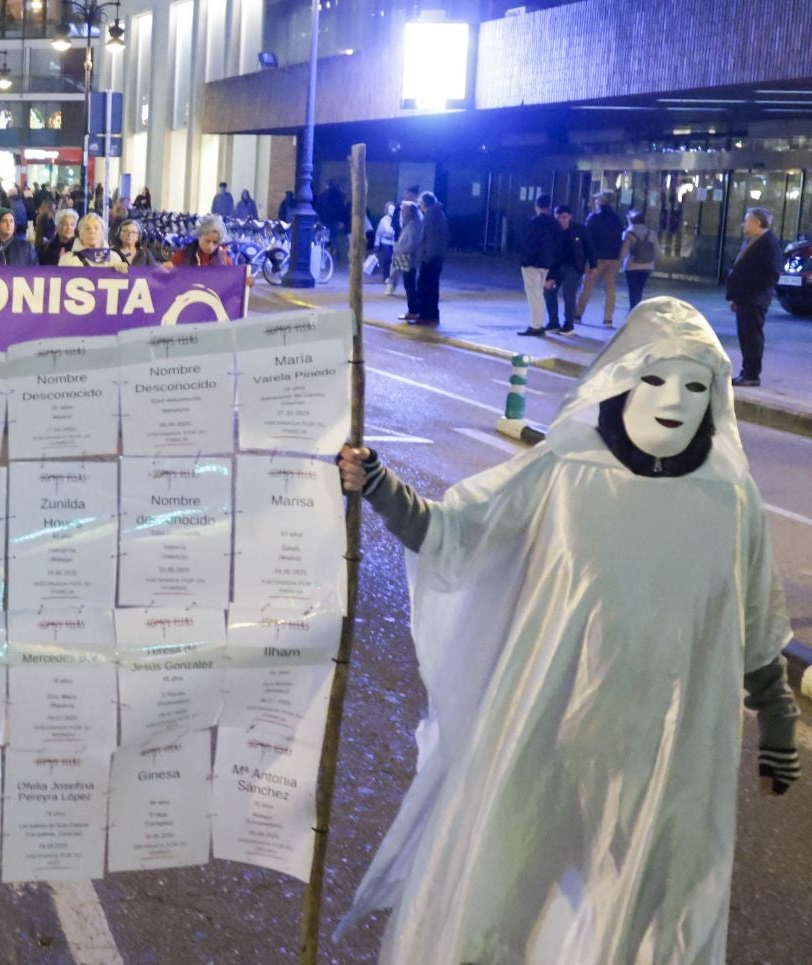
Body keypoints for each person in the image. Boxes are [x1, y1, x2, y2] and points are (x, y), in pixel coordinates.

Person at [338, 297, 799, 964]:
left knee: (659, 925)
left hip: (671, 760)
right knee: (496, 909)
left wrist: (778, 726)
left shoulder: (730, 498)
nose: (675, 399)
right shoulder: (563, 471)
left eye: (697, 384)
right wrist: (378, 484)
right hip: (548, 739)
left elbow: (755, 623)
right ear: (620, 383)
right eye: (656, 379)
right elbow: (456, 533)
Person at [725, 206, 783, 387]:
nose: (743, 224)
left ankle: (752, 374)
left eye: (747, 220)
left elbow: (772, 273)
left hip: (754, 299)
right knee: (745, 335)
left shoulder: (768, 243)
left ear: (757, 222)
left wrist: (752, 292)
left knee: (752, 336)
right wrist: (736, 297)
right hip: (745, 298)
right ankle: (746, 371)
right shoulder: (751, 240)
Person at [573, 192, 626, 328]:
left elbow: (587, 238)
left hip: (596, 259)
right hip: (613, 259)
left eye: (596, 200)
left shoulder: (593, 218)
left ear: (601, 202)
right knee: (610, 290)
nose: (595, 203)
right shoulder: (617, 219)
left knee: (587, 287)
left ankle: (578, 314)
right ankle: (608, 319)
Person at [516, 194, 559, 337]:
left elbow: (527, 243)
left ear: (537, 206)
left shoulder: (533, 222)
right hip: (546, 264)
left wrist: (524, 260)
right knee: (539, 294)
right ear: (549, 207)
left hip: (532, 263)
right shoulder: (554, 224)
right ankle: (538, 323)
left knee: (533, 295)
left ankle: (536, 325)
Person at [547, 204, 589, 334]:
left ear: (570, 217)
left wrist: (592, 265)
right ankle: (553, 322)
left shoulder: (579, 229)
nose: (561, 220)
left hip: (573, 266)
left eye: (564, 217)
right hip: (556, 267)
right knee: (548, 291)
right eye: (558, 217)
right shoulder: (552, 230)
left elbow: (588, 247)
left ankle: (568, 324)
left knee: (568, 294)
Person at [409, 191, 447, 325]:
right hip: (436, 256)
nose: (419, 206)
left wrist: (425, 257)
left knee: (425, 286)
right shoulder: (438, 214)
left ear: (425, 203)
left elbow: (429, 239)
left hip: (430, 257)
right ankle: (431, 314)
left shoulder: (431, 216)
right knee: (432, 286)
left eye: (420, 203)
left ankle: (425, 315)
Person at [59, 212, 126, 272]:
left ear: (103, 233)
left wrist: (121, 273)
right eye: (87, 228)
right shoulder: (67, 259)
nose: (92, 232)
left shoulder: (114, 258)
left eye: (96, 228)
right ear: (80, 234)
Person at [622, 209, 659, 310]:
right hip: (647, 266)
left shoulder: (628, 233)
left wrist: (619, 261)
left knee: (633, 290)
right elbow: (657, 250)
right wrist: (652, 261)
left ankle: (633, 310)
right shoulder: (651, 233)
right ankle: (636, 308)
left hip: (631, 266)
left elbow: (624, 251)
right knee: (640, 288)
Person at [167, 215, 234, 267]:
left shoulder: (225, 261)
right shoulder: (183, 256)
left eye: (215, 242)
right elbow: (165, 273)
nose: (211, 246)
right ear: (199, 236)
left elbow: (232, 279)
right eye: (207, 241)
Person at [390, 201, 421, 316]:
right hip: (408, 259)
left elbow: (411, 244)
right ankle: (413, 309)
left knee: (410, 285)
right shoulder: (410, 223)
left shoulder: (413, 225)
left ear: (410, 212)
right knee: (409, 284)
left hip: (410, 260)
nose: (402, 212)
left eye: (404, 210)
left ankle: (413, 310)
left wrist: (398, 249)